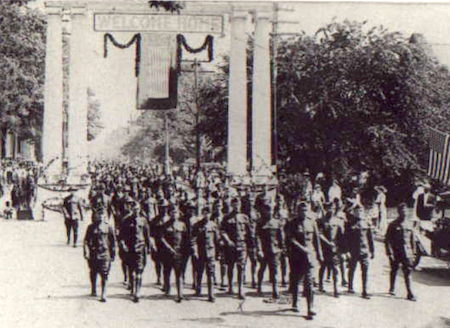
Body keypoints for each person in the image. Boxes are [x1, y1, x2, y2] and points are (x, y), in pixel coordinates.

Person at [285, 201, 323, 319]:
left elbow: (316, 240)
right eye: (301, 210)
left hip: (310, 256)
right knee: (296, 280)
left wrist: (320, 254)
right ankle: (295, 303)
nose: (304, 212)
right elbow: (290, 239)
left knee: (309, 282)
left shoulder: (312, 223)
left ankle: (310, 308)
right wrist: (302, 248)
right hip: (297, 257)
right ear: (297, 211)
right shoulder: (292, 223)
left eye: (306, 210)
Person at [118, 198, 151, 303]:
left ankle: (138, 292)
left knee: (139, 270)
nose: (136, 211)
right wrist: (122, 245)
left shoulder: (143, 220)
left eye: (138, 209)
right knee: (131, 270)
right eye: (134, 209)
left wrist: (149, 247)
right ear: (131, 209)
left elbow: (147, 235)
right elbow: (121, 235)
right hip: (130, 248)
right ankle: (132, 288)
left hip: (140, 247)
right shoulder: (125, 220)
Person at [220, 197, 253, 300]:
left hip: (242, 246)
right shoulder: (226, 218)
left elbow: (249, 233)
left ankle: (240, 289)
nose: (236, 206)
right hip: (230, 246)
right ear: (231, 205)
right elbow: (222, 231)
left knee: (241, 268)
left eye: (238, 204)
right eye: (234, 204)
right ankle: (230, 286)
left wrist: (251, 246)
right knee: (230, 267)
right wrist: (228, 241)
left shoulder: (245, 217)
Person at [157, 204, 190, 303]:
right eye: (172, 212)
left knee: (179, 273)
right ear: (169, 213)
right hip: (167, 253)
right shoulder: (164, 225)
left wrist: (184, 251)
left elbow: (186, 238)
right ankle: (167, 289)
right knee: (167, 271)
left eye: (176, 212)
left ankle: (180, 293)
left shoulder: (182, 225)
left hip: (179, 252)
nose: (174, 214)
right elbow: (161, 239)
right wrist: (169, 248)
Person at [83, 205, 116, 302]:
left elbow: (113, 242)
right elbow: (86, 241)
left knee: (104, 273)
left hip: (105, 253)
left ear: (105, 216)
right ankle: (93, 288)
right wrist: (86, 251)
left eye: (103, 215)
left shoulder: (108, 227)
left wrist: (113, 254)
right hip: (94, 253)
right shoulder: (91, 227)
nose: (101, 216)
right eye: (99, 214)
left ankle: (103, 293)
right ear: (96, 215)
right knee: (93, 271)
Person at [385, 202, 417, 301]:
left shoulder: (409, 224)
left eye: (406, 211)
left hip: (407, 252)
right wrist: (389, 253)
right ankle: (392, 288)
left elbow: (412, 239)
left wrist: (413, 253)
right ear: (399, 212)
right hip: (396, 252)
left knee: (407, 272)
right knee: (394, 269)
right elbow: (387, 240)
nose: (404, 213)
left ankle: (410, 293)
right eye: (402, 211)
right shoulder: (393, 224)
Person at [255, 197, 285, 300]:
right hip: (264, 250)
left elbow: (281, 237)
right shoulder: (260, 223)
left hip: (275, 250)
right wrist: (259, 250)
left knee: (275, 271)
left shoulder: (277, 222)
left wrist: (282, 248)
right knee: (262, 269)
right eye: (267, 210)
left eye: (271, 210)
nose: (269, 212)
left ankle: (275, 291)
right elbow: (257, 237)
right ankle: (259, 286)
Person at [345, 205, 375, 299]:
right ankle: (350, 286)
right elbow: (346, 239)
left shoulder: (367, 223)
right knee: (352, 269)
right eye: (357, 211)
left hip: (364, 251)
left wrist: (372, 250)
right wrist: (346, 252)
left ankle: (365, 291)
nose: (359, 213)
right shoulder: (349, 224)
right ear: (354, 212)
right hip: (353, 251)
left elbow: (370, 238)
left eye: (361, 211)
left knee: (365, 271)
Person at [318, 200, 346, 297]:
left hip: (334, 248)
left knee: (335, 268)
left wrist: (343, 249)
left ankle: (336, 289)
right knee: (323, 266)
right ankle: (320, 285)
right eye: (329, 208)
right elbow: (319, 234)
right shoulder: (321, 221)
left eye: (333, 208)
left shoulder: (337, 221)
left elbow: (341, 235)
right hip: (324, 248)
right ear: (326, 209)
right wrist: (327, 242)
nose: (331, 210)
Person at [191, 205, 219, 302]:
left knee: (210, 272)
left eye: (209, 213)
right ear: (202, 213)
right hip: (200, 252)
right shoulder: (197, 225)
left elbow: (217, 240)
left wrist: (218, 253)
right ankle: (198, 289)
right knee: (199, 271)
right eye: (205, 213)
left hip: (211, 252)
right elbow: (193, 240)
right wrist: (194, 251)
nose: (207, 215)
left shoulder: (214, 225)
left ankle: (211, 294)